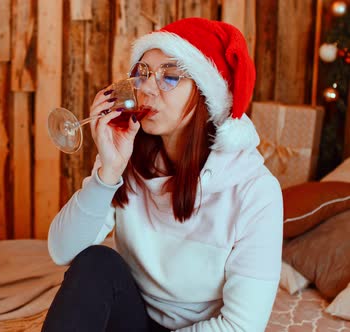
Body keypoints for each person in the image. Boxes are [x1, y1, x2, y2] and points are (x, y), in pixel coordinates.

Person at [41, 17, 283, 332]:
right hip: (136, 318)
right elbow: (62, 250)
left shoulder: (256, 192)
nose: (147, 89)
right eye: (142, 73)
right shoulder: (128, 156)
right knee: (96, 263)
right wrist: (107, 173)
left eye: (170, 77)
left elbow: (241, 326)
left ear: (207, 96)